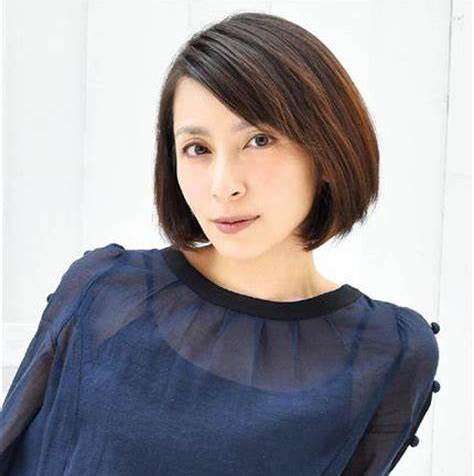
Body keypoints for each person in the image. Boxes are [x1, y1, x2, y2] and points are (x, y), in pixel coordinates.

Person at [0, 11, 440, 476]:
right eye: (197, 149)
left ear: (327, 151)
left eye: (259, 140)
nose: (223, 185)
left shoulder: (386, 352)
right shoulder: (106, 292)